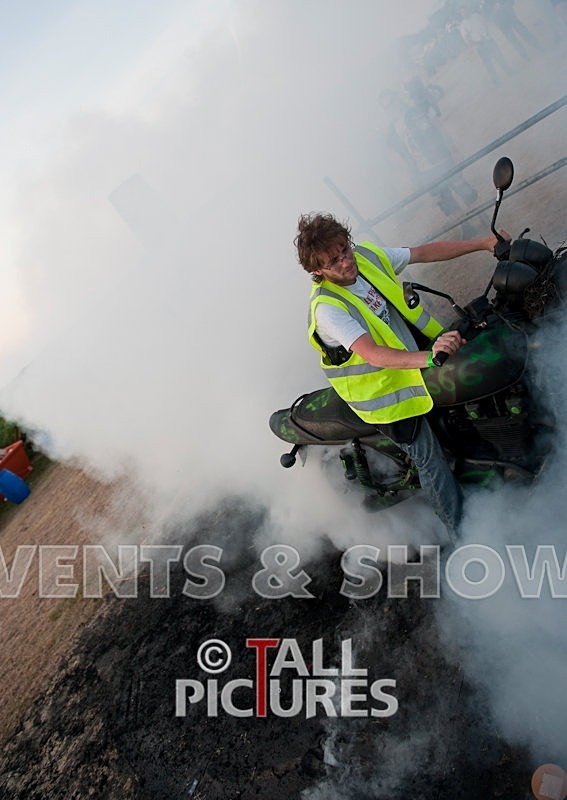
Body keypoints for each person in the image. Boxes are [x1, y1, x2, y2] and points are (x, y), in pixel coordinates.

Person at [295, 213, 501, 542]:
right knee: (430, 458)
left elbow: (422, 252)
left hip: (414, 366)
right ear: (317, 271)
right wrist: (430, 358)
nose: (346, 262)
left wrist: (482, 244)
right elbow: (374, 354)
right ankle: (461, 535)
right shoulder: (328, 310)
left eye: (345, 250)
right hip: (385, 395)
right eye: (334, 261)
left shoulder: (367, 257)